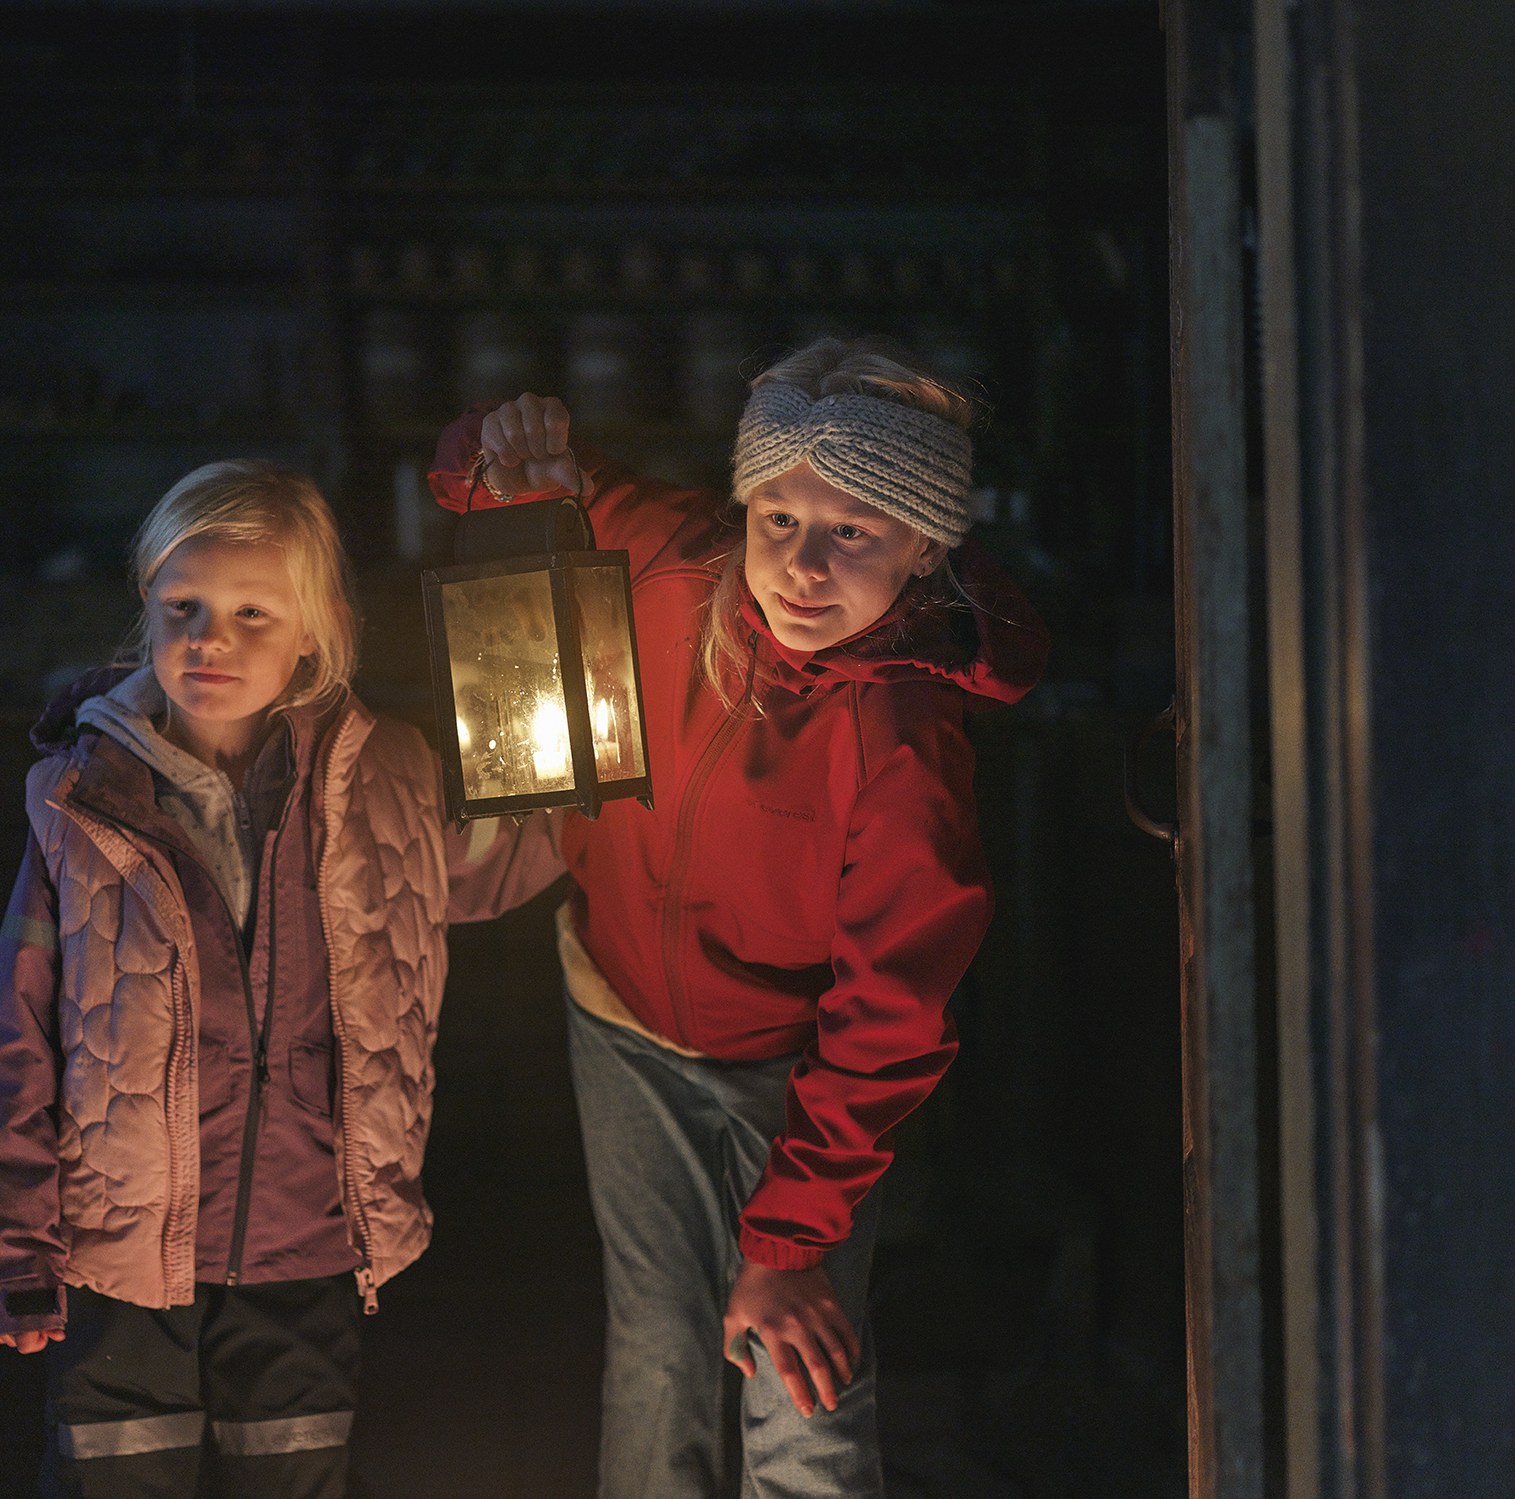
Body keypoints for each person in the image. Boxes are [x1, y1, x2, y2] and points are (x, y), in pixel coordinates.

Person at [427, 336, 1050, 1498]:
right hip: (621, 1019)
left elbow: (889, 1017)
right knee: (656, 1347)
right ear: (744, 505)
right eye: (777, 519)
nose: (801, 565)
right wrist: (504, 449)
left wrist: (792, 1239)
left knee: (795, 1368)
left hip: (799, 1075)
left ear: (925, 546)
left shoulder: (903, 747)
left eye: (852, 532)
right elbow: (479, 476)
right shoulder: (672, 558)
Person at [0, 459, 564, 1499]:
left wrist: (580, 744)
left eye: (249, 612)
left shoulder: (391, 781)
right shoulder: (79, 799)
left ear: (312, 632)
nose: (208, 639)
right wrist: (9, 1243)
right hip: (118, 1255)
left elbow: (497, 862)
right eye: (181, 605)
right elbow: (15, 1031)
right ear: (144, 604)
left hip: (305, 1241)